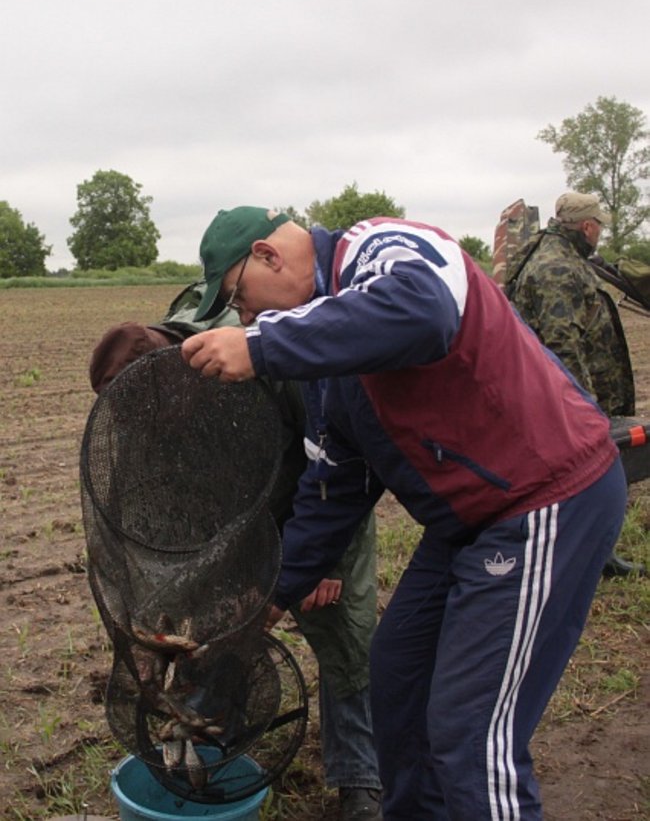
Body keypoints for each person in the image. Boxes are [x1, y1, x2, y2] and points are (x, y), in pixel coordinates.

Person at [180, 205, 627, 821]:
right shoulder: (328, 370)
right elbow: (334, 489)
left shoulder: (381, 246)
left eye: (239, 298)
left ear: (268, 255)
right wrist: (270, 602)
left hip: (543, 499)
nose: (245, 316)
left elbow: (424, 312)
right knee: (398, 680)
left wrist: (260, 343)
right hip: (467, 524)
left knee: (472, 735)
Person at [89, 284, 383, 821]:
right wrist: (156, 621)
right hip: (236, 522)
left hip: (316, 503)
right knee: (211, 637)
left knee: (346, 643)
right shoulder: (136, 404)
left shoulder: (268, 354)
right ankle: (211, 746)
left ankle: (359, 777)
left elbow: (344, 464)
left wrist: (323, 563)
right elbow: (150, 524)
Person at [507, 191, 642, 578]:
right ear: (587, 226)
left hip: (570, 400)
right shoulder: (556, 268)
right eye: (598, 225)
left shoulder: (561, 257)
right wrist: (584, 409)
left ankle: (599, 555)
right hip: (566, 405)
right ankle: (582, 560)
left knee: (592, 480)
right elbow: (560, 344)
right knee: (577, 481)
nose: (599, 233)